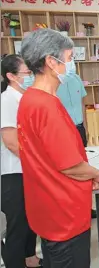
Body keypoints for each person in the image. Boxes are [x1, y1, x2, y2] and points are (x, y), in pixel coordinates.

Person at [18, 28, 99, 267]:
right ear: (50, 61)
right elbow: (70, 166)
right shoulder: (46, 107)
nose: (70, 66)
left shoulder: (29, 98)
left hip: (46, 205)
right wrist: (96, 173)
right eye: (68, 59)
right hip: (63, 211)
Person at [1, 55, 42, 268]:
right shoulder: (7, 100)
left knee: (31, 220)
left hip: (29, 170)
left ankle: (31, 259)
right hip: (14, 172)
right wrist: (37, 161)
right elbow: (10, 142)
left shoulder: (25, 97)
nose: (30, 76)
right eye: (27, 73)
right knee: (17, 226)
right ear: (10, 76)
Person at [56, 63, 99, 219]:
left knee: (83, 168)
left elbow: (82, 104)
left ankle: (86, 208)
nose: (71, 62)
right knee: (69, 170)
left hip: (79, 127)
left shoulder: (76, 79)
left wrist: (86, 126)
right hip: (62, 131)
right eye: (68, 58)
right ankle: (70, 210)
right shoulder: (53, 82)